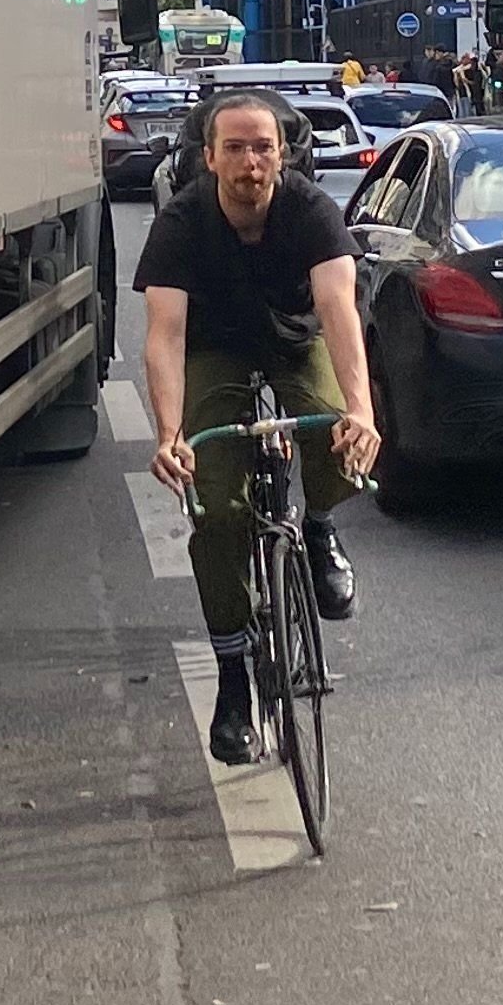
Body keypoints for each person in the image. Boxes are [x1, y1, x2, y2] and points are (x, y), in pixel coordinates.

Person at [137, 91, 382, 765]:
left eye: (264, 147)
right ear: (210, 157)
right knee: (215, 511)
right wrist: (168, 434)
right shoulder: (183, 222)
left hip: (297, 341)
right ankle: (234, 683)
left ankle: (321, 525)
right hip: (214, 350)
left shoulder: (310, 211)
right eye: (236, 148)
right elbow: (165, 336)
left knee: (342, 443)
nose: (251, 161)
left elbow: (338, 310)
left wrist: (357, 409)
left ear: (283, 154)